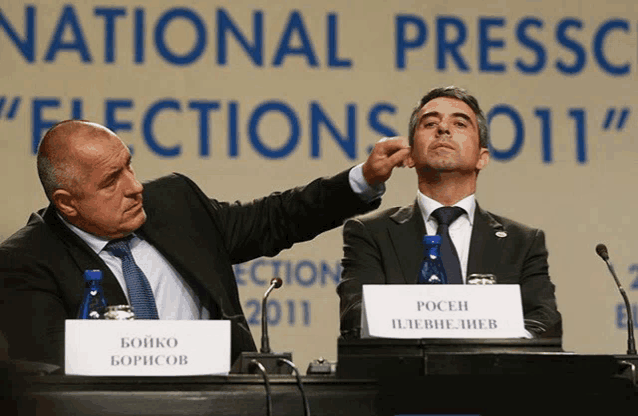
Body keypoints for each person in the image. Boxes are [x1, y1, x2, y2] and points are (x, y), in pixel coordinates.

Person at [0, 120, 409, 366]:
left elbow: (276, 217)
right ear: (67, 204)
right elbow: (49, 377)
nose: (134, 186)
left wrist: (363, 180)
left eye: (129, 165)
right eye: (111, 181)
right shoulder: (27, 262)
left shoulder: (175, 203)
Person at [337, 86, 562, 339]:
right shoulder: (371, 233)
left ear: (482, 158)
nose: (443, 129)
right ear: (409, 156)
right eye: (430, 123)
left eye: (460, 124)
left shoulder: (522, 241)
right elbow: (355, 317)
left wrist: (490, 347)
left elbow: (546, 322)